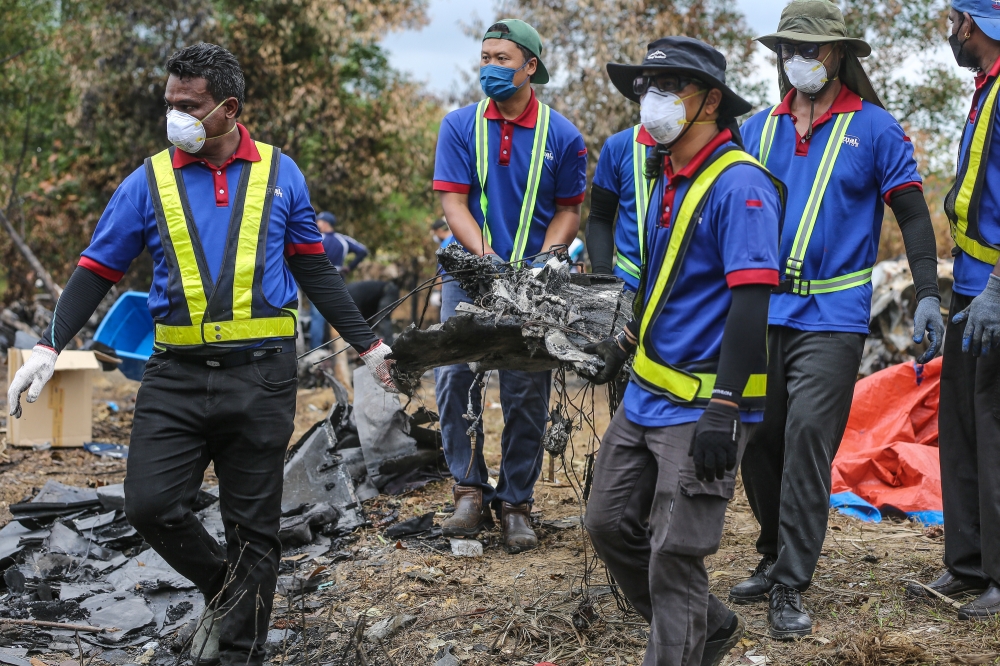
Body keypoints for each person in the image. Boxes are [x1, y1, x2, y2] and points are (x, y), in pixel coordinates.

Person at [6, 43, 397, 666]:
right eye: (170, 104)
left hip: (262, 376)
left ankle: (241, 651)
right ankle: (227, 590)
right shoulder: (150, 179)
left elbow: (316, 272)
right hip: (174, 377)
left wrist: (371, 344)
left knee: (253, 527)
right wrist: (50, 343)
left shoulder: (280, 172)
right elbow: (95, 267)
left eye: (188, 106)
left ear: (227, 109)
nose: (175, 117)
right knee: (150, 504)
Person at [732, 0, 944, 639]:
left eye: (812, 49)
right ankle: (771, 555)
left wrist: (929, 293)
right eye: (789, 49)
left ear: (838, 55)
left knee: (806, 443)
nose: (799, 60)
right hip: (761, 308)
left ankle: (792, 583)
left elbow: (909, 212)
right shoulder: (756, 129)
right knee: (759, 439)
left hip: (833, 313)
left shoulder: (876, 128)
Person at [583, 37, 785, 666]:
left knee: (675, 554)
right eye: (647, 86)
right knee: (607, 523)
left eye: (670, 86)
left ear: (712, 102)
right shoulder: (668, 177)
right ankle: (712, 625)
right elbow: (664, 282)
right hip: (647, 395)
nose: (652, 100)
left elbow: (752, 303)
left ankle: (678, 651)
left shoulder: (740, 186)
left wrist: (725, 408)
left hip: (701, 407)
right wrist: (624, 341)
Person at [432, 19, 587, 553]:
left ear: (531, 67)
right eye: (486, 57)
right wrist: (487, 259)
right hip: (469, 274)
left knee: (525, 387)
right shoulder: (459, 126)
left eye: (503, 58)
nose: (491, 68)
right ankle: (469, 491)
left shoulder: (563, 136)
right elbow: (453, 200)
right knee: (457, 375)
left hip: (533, 282)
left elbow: (569, 210)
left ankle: (516, 501)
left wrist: (545, 259)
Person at [906, 0, 1000, 620]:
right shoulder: (985, 89)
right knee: (963, 427)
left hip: (995, 291)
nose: (948, 34)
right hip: (971, 288)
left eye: (950, 21)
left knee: (993, 432)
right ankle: (966, 564)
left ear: (969, 24)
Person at [585, 121, 656, 292]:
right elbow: (600, 218)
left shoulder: (717, 147)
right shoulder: (618, 146)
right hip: (628, 288)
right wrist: (603, 279)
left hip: (691, 295)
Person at [307, 211, 369, 348]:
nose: (317, 224)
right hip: (337, 281)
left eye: (319, 222)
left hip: (317, 282)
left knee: (317, 316)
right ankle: (336, 349)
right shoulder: (342, 239)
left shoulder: (317, 238)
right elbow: (363, 251)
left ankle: (316, 350)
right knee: (337, 316)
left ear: (325, 223)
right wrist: (349, 267)